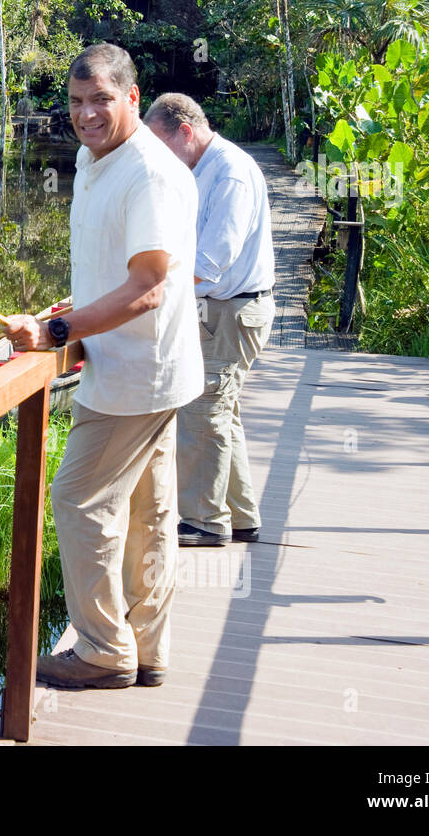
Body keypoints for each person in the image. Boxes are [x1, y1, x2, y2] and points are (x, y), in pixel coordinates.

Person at [3, 44, 201, 689]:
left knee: (78, 499)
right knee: (146, 513)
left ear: (133, 99)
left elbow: (148, 287)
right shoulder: (96, 160)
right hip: (134, 367)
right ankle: (147, 648)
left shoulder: (148, 172)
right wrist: (76, 311)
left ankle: (102, 651)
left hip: (136, 376)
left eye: (102, 101)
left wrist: (57, 330)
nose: (86, 115)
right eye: (78, 102)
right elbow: (117, 269)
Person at [144, 93, 276, 547]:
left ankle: (204, 521)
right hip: (218, 308)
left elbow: (211, 260)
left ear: (185, 132)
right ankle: (241, 517)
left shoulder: (231, 174)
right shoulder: (201, 169)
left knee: (203, 410)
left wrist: (148, 293)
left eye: (161, 146)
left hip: (234, 310)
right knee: (222, 411)